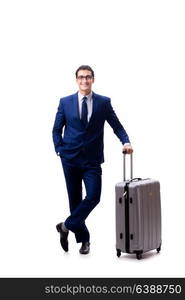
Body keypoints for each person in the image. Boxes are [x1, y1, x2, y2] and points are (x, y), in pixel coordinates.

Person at [52, 65, 133, 255]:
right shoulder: (65, 102)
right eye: (81, 77)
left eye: (88, 77)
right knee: (75, 201)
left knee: (94, 196)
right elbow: (56, 129)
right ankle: (84, 240)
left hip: (92, 161)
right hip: (69, 159)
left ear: (93, 79)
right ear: (76, 80)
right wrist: (59, 150)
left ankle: (65, 226)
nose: (84, 81)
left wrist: (126, 141)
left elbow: (117, 126)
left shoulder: (103, 103)